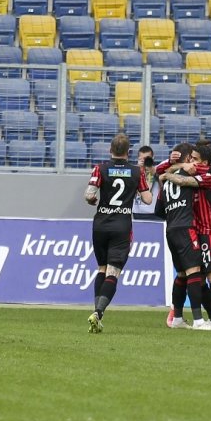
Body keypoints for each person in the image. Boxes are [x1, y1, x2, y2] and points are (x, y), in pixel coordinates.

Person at [84, 134, 152, 333]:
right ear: (128, 152)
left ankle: (97, 313)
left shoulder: (100, 168)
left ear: (110, 150)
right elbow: (148, 200)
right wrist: (146, 178)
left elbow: (89, 194)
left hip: (101, 224)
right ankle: (98, 313)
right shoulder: (136, 172)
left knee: (102, 268)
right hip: (121, 225)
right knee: (114, 272)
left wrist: (92, 200)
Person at [161, 142, 211, 330]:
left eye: (195, 159)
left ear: (204, 162)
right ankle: (199, 319)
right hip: (194, 232)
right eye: (190, 158)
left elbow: (182, 181)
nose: (191, 162)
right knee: (194, 275)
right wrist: (177, 168)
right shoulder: (187, 172)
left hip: (210, 232)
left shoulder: (208, 176)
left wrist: (166, 175)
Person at [132, 145, 161, 221]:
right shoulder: (135, 172)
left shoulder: (158, 170)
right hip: (137, 213)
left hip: (154, 213)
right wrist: (139, 169)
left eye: (147, 159)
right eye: (142, 159)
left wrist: (154, 173)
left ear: (153, 158)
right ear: (138, 159)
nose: (145, 162)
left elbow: (163, 187)